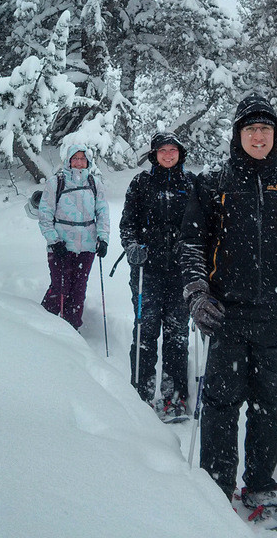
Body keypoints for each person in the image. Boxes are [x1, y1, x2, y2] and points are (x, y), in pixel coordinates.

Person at [178, 95, 277, 513]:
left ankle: (261, 484)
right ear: (238, 135)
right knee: (222, 400)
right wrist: (197, 293)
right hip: (225, 312)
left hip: (275, 314)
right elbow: (192, 243)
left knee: (268, 400)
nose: (259, 136)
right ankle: (216, 485)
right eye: (251, 129)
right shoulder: (212, 183)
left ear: (275, 135)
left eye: (266, 129)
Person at [119, 131, 195, 422]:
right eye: (162, 150)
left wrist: (188, 246)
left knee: (177, 333)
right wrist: (132, 246)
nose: (167, 154)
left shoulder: (190, 184)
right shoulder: (141, 183)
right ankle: (140, 391)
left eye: (172, 150)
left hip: (179, 271)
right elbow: (128, 223)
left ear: (180, 153)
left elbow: (201, 225)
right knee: (146, 331)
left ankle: (174, 395)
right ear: (154, 154)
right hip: (146, 271)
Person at [38, 144, 110, 330]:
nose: (79, 162)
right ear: (69, 161)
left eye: (82, 159)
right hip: (61, 246)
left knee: (78, 291)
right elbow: (45, 213)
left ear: (88, 162)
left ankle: (72, 329)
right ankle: (44, 326)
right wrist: (54, 241)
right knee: (60, 288)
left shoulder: (94, 183)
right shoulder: (56, 182)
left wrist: (103, 238)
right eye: (75, 158)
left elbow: (102, 212)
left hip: (86, 247)